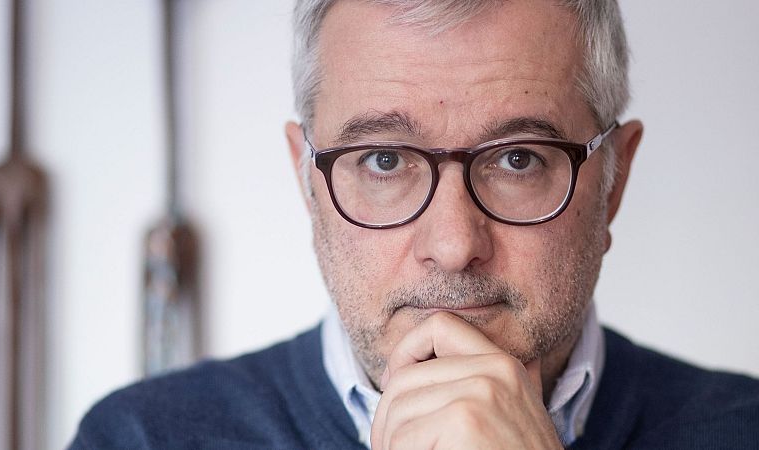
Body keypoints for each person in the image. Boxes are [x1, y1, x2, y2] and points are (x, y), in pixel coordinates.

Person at [70, 0, 759, 448]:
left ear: (614, 181)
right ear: (309, 183)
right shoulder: (142, 439)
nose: (454, 245)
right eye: (384, 160)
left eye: (518, 159)